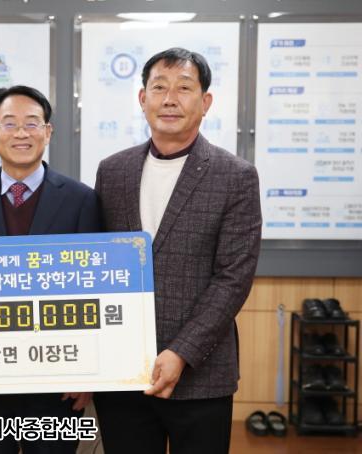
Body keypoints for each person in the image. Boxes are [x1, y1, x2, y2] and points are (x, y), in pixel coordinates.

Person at [93, 48, 262, 454]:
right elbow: (97, 265)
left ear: (205, 101)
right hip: (124, 372)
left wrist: (181, 352)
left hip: (201, 375)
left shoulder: (236, 176)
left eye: (184, 88)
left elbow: (233, 278)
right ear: (143, 98)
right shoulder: (112, 171)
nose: (170, 99)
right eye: (159, 88)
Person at [0, 85, 101, 453]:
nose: (21, 133)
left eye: (32, 124)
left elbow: (95, 289)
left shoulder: (81, 199)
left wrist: (90, 374)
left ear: (48, 132)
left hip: (60, 381)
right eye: (9, 124)